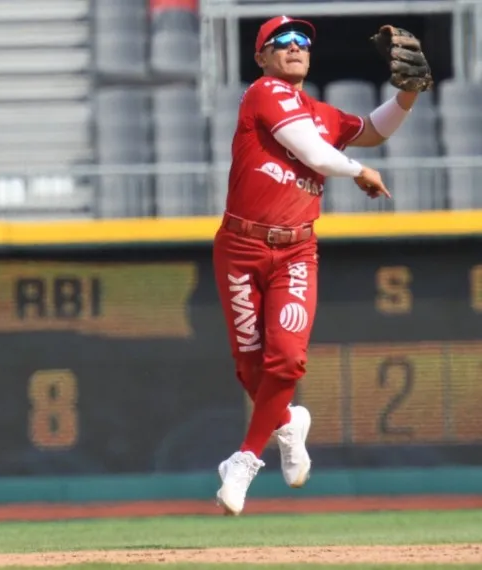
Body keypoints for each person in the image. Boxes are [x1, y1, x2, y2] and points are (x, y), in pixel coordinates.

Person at [213, 16, 422, 515]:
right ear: (261, 58)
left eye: (302, 40)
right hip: (241, 247)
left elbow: (371, 130)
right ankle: (288, 425)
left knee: (285, 359)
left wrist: (409, 95)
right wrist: (358, 171)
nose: (294, 47)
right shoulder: (264, 92)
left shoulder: (319, 113)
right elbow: (316, 154)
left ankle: (243, 460)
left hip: (294, 252)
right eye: (279, 42)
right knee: (251, 368)